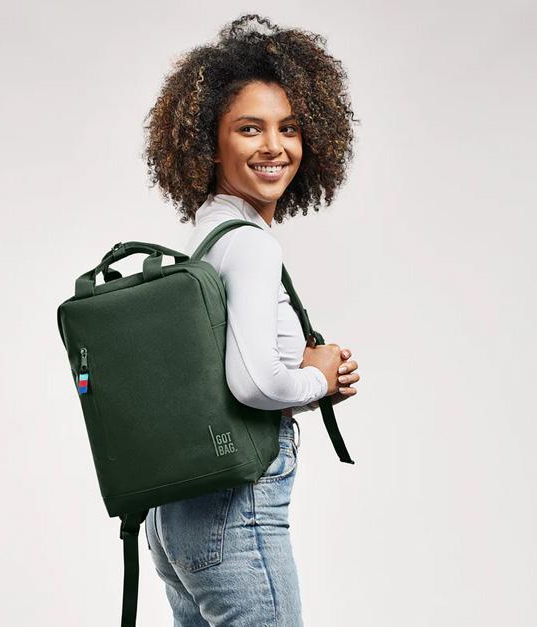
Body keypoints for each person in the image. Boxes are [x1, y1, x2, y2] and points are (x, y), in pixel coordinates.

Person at [140, 14, 362, 626]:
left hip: (179, 519)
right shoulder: (252, 244)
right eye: (249, 128)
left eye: (288, 129)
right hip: (235, 514)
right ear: (208, 144)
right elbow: (255, 382)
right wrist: (320, 379)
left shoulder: (211, 231)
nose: (275, 147)